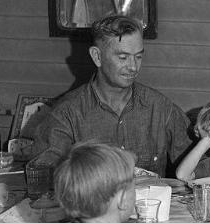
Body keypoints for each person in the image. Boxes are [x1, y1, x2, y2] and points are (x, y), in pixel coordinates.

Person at [31, 14, 192, 176]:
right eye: (123, 57)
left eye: (139, 57)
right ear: (97, 56)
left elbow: (199, 164)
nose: (133, 67)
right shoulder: (66, 113)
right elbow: (42, 175)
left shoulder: (160, 107)